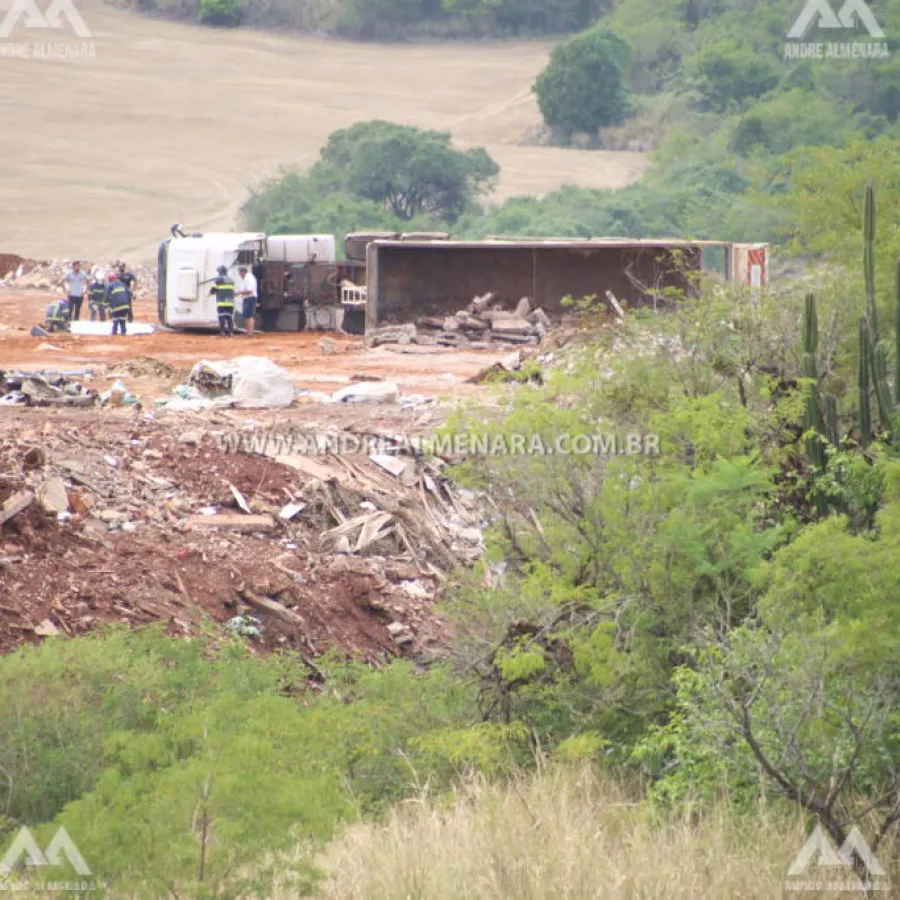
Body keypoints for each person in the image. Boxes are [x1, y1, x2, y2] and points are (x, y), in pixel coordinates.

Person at [209, 265, 236, 336]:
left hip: (222, 302)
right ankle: (230, 332)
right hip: (230, 302)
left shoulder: (218, 279)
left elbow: (213, 290)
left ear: (220, 271)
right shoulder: (231, 280)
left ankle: (222, 332)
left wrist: (211, 293)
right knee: (229, 317)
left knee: (222, 316)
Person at [236, 265, 258, 335]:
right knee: (247, 315)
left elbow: (250, 291)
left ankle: (250, 332)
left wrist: (239, 292)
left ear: (242, 272)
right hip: (247, 298)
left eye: (239, 272)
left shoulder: (248, 278)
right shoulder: (247, 278)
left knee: (250, 315)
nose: (239, 274)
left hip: (250, 297)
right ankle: (248, 331)